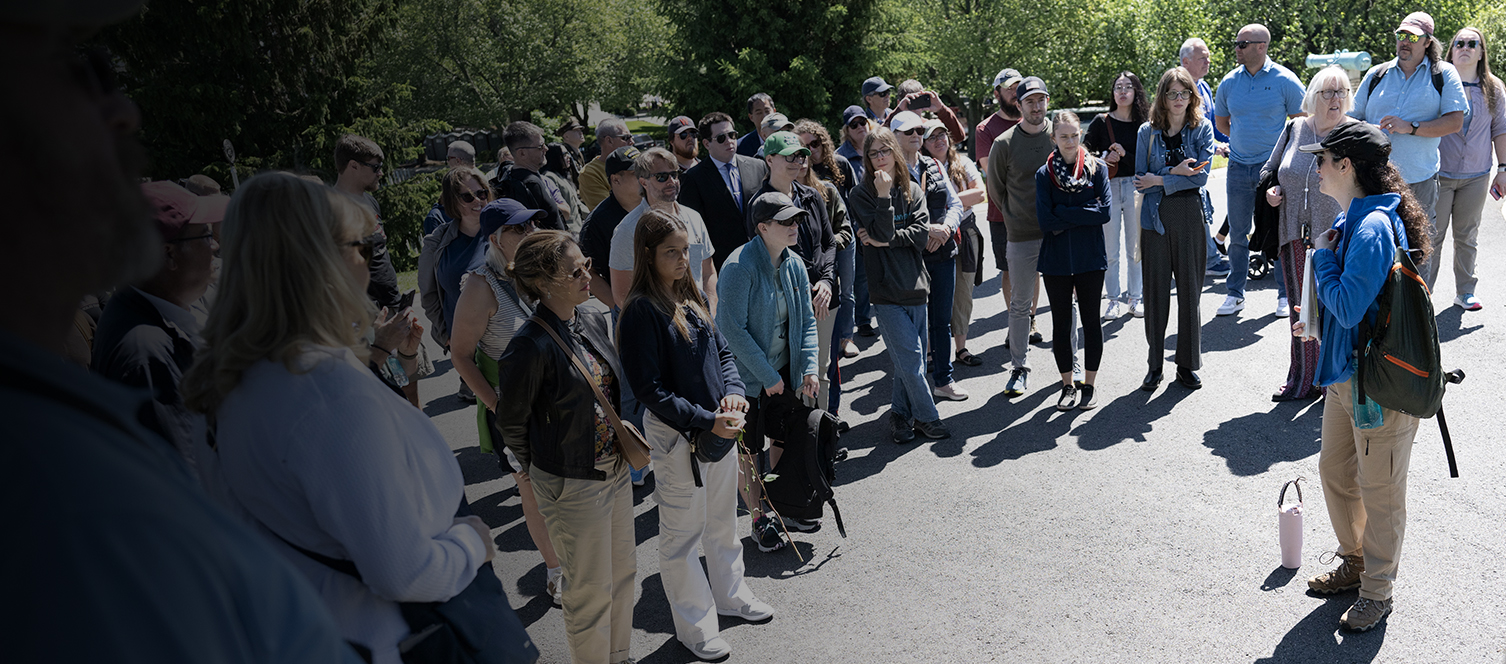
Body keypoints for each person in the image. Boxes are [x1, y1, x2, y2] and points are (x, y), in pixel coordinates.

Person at [186, 173, 491, 663]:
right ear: (317, 261)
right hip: (379, 637)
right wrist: (472, 544)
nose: (367, 262)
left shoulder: (234, 375)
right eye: (359, 246)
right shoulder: (321, 390)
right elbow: (404, 570)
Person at [1294, 121, 1433, 633]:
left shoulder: (1371, 227)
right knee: (1335, 471)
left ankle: (1377, 589)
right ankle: (1354, 562)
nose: (1318, 169)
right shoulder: (1356, 219)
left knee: (1381, 490)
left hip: (1377, 383)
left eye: (1323, 160)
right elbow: (1351, 307)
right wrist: (1314, 317)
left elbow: (1350, 306)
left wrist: (1324, 262)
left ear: (1346, 165)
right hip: (1347, 376)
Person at [618, 210, 773, 660]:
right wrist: (708, 419)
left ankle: (731, 596)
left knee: (723, 523)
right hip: (676, 439)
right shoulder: (639, 312)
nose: (683, 259)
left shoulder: (688, 295)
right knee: (682, 537)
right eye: (671, 252)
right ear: (648, 255)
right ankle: (696, 627)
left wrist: (736, 395)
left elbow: (723, 353)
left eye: (686, 250)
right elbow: (650, 390)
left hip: (718, 431)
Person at [495, 231, 636, 664]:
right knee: (589, 593)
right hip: (573, 481)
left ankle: (619, 656)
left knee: (623, 577)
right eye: (575, 271)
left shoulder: (592, 317)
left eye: (585, 264)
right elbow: (511, 421)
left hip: (614, 469)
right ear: (544, 283)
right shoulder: (527, 346)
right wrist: (539, 470)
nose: (587, 274)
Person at [447, 198, 563, 606]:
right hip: (516, 407)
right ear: (495, 239)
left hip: (559, 397)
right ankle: (555, 572)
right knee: (533, 492)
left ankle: (578, 560)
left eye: (532, 224)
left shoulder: (538, 270)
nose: (530, 233)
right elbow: (459, 353)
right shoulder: (480, 286)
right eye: (518, 229)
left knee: (569, 486)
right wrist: (498, 406)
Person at [92, 181, 225, 469]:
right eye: (205, 235)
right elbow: (190, 477)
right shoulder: (147, 351)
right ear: (168, 254)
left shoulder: (140, 312)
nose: (215, 245)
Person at [716, 191, 823, 552]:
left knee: (781, 438)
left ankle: (780, 505)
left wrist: (808, 366)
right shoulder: (738, 267)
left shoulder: (794, 262)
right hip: (747, 380)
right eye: (786, 222)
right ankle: (758, 519)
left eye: (796, 220)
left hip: (783, 373)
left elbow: (807, 320)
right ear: (762, 228)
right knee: (748, 452)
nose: (795, 226)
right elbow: (731, 330)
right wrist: (767, 376)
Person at [1350, 12, 1468, 293]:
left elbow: (1455, 121)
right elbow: (1353, 118)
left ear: (1427, 42)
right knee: (1373, 246)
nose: (1405, 42)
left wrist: (1411, 127)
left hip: (1419, 180)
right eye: (1401, 35)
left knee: (1418, 249)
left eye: (1412, 37)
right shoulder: (1376, 74)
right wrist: (1366, 130)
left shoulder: (1443, 74)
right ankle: (1380, 316)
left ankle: (1416, 317)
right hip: (1373, 180)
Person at [850, 126, 951, 443]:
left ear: (894, 151)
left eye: (884, 151)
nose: (880, 158)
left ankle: (899, 415)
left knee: (912, 362)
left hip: (916, 287)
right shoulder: (861, 193)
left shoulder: (913, 190)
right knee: (910, 359)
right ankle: (928, 417)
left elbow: (921, 238)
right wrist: (882, 197)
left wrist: (886, 240)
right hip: (885, 292)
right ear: (867, 159)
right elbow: (878, 234)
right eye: (873, 153)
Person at [1262, 66, 1354, 402]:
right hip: (1292, 234)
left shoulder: (1352, 133)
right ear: (1313, 96)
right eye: (1328, 92)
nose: (1335, 99)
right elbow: (1271, 169)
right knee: (1301, 311)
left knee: (1332, 311)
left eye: (1342, 92)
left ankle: (1332, 384)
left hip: (1335, 238)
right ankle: (1302, 380)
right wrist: (1272, 190)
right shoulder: (1296, 128)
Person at [1213, 23, 1307, 318]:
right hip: (1239, 167)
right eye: (1237, 43)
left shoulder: (1285, 80)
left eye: (1242, 44)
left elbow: (1302, 122)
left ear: (1260, 47)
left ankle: (1285, 295)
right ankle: (1234, 294)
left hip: (1274, 171)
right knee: (1238, 234)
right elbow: (1222, 123)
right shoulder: (1229, 82)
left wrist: (1284, 159)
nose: (1236, 49)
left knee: (1278, 232)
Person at [749, 131, 840, 412]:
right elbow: (762, 257)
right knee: (793, 374)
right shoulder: (759, 204)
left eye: (801, 155)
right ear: (769, 160)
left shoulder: (812, 195)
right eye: (789, 156)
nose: (797, 161)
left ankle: (822, 439)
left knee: (819, 371)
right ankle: (797, 444)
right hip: (785, 302)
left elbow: (828, 242)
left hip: (822, 298)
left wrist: (826, 282)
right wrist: (799, 292)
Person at [1137, 67, 1214, 391]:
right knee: (1155, 295)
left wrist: (1161, 178)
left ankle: (1186, 365)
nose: (1179, 99)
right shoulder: (1146, 132)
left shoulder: (1203, 129)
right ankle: (1155, 365)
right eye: (1173, 93)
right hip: (1155, 218)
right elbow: (1142, 179)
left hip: (1189, 216)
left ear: (1192, 97)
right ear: (1163, 97)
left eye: (1184, 93)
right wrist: (1174, 172)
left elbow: (1200, 176)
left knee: (1189, 293)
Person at [889, 112, 968, 402]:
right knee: (913, 326)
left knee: (941, 321)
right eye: (908, 130)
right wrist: (929, 231)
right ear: (894, 135)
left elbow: (955, 203)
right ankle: (916, 386)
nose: (916, 134)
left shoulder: (934, 164)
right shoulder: (889, 172)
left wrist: (946, 228)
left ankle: (943, 380)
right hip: (909, 259)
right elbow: (890, 220)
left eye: (919, 129)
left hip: (943, 253)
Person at [986, 76, 1058, 397]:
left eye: (1041, 100)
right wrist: (1016, 217)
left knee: (1063, 301)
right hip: (1021, 235)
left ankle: (1068, 367)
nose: (1036, 106)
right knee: (1020, 304)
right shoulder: (1003, 143)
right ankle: (1019, 368)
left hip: (1058, 233)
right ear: (1019, 105)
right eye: (1030, 101)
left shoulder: (1058, 135)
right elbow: (996, 189)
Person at [1035, 111, 1110, 411]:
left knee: (1092, 322)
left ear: (1081, 134)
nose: (1069, 141)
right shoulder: (1044, 174)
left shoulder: (1098, 169)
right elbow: (1044, 220)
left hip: (1090, 257)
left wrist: (1062, 213)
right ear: (1053, 138)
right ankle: (1067, 385)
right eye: (1063, 136)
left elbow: (1104, 213)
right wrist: (1083, 212)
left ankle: (1088, 384)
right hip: (1056, 260)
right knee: (1061, 323)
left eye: (1074, 135)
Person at [1430, 27, 1506, 308]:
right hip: (1438, 173)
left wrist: (1504, 168)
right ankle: (1423, 294)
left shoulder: (1494, 88)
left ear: (1481, 51)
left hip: (1476, 174)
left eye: (1472, 43)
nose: (1465, 47)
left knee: (1467, 235)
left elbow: (1501, 129)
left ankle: (1465, 291)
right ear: (1451, 50)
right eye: (1459, 43)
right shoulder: (1437, 81)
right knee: (1431, 236)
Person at [794, 120, 857, 417]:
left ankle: (829, 416)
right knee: (801, 362)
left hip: (825, 285)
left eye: (810, 149)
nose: (804, 156)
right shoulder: (777, 197)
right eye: (797, 151)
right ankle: (804, 421)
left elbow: (844, 232)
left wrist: (824, 264)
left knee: (828, 360)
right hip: (794, 291)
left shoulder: (828, 191)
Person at [418, 167, 495, 407]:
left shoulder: (503, 231)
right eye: (467, 196)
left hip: (505, 340)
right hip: (467, 349)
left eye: (482, 193)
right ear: (452, 200)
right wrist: (448, 338)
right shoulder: (437, 242)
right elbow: (429, 296)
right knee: (488, 413)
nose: (478, 200)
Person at [609, 147, 719, 314]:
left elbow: (708, 273)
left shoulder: (694, 218)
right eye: (661, 177)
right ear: (643, 182)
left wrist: (710, 312)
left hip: (699, 320)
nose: (671, 181)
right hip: (659, 327)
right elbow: (623, 295)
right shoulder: (627, 230)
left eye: (674, 175)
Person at [924, 119, 987, 370]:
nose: (940, 140)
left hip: (966, 232)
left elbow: (980, 193)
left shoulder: (963, 162)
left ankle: (961, 348)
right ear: (924, 143)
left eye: (943, 135)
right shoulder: (920, 168)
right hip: (933, 237)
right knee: (932, 294)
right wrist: (961, 201)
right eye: (932, 137)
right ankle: (931, 351)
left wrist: (945, 204)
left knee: (963, 293)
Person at [1084, 71, 1148, 319]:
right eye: (1118, 87)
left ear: (1136, 92)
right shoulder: (1101, 122)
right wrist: (1104, 158)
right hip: (1108, 189)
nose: (1122, 91)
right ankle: (1112, 299)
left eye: (1128, 87)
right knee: (1110, 250)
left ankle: (1135, 298)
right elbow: (1084, 155)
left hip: (1135, 186)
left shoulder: (1144, 124)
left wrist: (1124, 155)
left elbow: (1147, 161)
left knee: (1135, 248)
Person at [680, 111, 769, 271]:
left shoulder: (758, 166)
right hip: (722, 264)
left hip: (762, 257)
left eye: (732, 135)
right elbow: (694, 231)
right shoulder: (693, 178)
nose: (729, 141)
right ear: (706, 144)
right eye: (721, 138)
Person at [1180, 37, 1236, 277]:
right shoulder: (1179, 89)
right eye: (1202, 57)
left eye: (1208, 56)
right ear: (1186, 61)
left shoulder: (1203, 86)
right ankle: (1210, 260)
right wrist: (1214, 147)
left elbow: (1212, 125)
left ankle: (1208, 254)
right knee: (1199, 209)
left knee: (1203, 208)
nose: (1208, 61)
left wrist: (1233, 142)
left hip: (1205, 162)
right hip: (1188, 163)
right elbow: (1185, 127)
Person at [333, 134, 402, 312]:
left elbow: (379, 254)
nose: (380, 173)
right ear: (353, 165)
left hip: (392, 303)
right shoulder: (332, 208)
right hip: (364, 313)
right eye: (375, 167)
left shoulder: (370, 201)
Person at [580, 146, 643, 309]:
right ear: (615, 179)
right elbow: (589, 272)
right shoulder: (597, 222)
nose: (644, 177)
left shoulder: (658, 205)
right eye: (637, 172)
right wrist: (619, 307)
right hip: (633, 310)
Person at [837, 106, 877, 337]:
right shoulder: (842, 157)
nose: (860, 127)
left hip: (879, 217)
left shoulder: (876, 147)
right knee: (860, 277)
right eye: (854, 124)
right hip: (856, 224)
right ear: (846, 130)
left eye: (863, 122)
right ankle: (862, 320)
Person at [499, 121, 567, 231]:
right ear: (522, 153)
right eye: (540, 146)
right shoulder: (530, 184)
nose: (546, 149)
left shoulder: (512, 176)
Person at [421, 140, 476, 236]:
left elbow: (434, 249)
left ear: (458, 161)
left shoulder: (437, 216)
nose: (447, 161)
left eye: (449, 158)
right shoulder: (485, 186)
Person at [580, 117, 635, 210]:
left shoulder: (637, 162)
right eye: (626, 138)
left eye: (631, 136)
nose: (632, 142)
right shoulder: (589, 174)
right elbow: (608, 212)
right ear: (609, 141)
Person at [544, 142, 590, 235]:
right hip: (568, 231)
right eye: (564, 154)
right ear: (555, 157)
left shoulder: (562, 176)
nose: (568, 157)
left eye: (568, 153)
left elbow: (577, 204)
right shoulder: (550, 177)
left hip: (578, 228)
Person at [738, 92, 777, 157]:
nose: (764, 116)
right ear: (751, 117)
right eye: (759, 113)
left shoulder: (787, 138)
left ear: (774, 111)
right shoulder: (741, 146)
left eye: (767, 111)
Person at [556, 117, 588, 185]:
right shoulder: (564, 154)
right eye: (576, 130)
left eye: (580, 130)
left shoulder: (578, 152)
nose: (581, 132)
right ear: (566, 136)